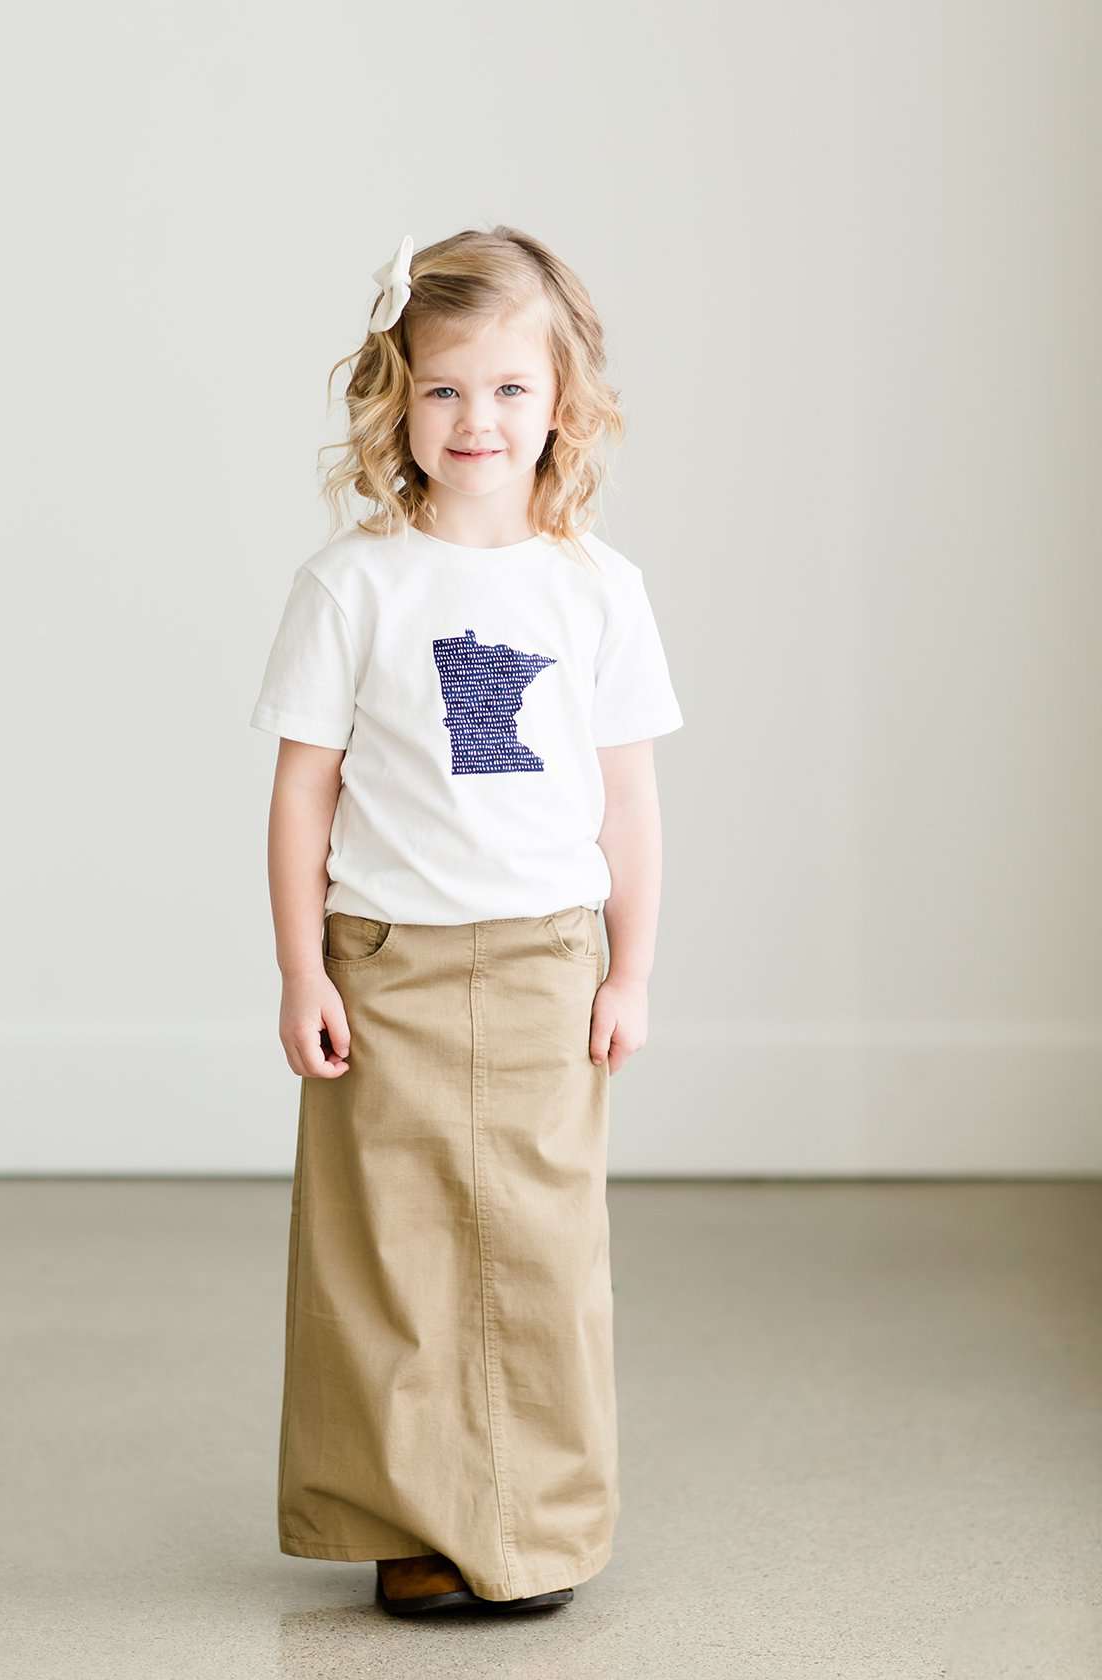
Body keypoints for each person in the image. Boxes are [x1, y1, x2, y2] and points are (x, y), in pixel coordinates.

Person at [248, 225, 684, 1617]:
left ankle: (537, 1526)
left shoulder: (597, 590)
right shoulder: (354, 585)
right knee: (391, 1258)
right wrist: (300, 967)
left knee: (542, 1254)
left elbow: (629, 803)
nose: (476, 419)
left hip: (548, 959)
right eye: (444, 389)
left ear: (562, 403)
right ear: (398, 397)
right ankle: (411, 1521)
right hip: (388, 968)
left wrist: (634, 968)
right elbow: (303, 793)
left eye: (508, 389)